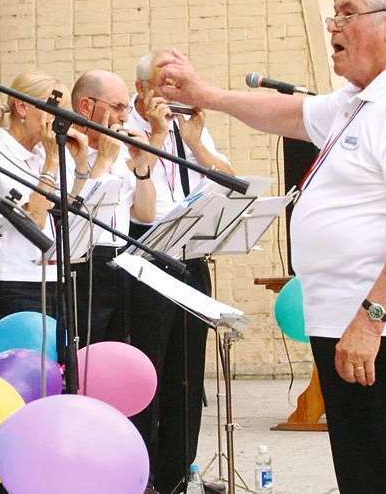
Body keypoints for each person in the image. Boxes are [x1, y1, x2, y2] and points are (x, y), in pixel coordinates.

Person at [156, 0, 386, 494]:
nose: (334, 25)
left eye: (347, 13)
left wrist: (370, 321)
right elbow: (289, 113)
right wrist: (206, 95)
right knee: (364, 473)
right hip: (346, 320)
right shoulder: (361, 101)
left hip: (381, 329)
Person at [124, 49, 234, 494]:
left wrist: (197, 144)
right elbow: (140, 214)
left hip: (190, 264)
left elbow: (231, 183)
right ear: (141, 89)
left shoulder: (188, 132)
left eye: (178, 84)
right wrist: (154, 134)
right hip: (144, 268)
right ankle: (142, 476)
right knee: (150, 374)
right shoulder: (123, 129)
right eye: (163, 84)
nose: (173, 93)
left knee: (188, 378)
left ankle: (175, 478)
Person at [0, 70, 88, 325]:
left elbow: (69, 209)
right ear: (21, 107)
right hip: (13, 279)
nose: (57, 121)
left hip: (53, 275)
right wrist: (52, 162)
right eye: (52, 110)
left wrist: (81, 165)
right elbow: (34, 218)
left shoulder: (44, 151)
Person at [68, 70, 157, 347]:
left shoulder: (118, 151)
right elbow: (78, 213)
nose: (124, 117)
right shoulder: (67, 149)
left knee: (119, 348)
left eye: (126, 108)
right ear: (86, 106)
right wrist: (103, 160)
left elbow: (145, 214)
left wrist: (142, 166)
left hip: (120, 259)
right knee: (89, 349)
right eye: (117, 107)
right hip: (85, 263)